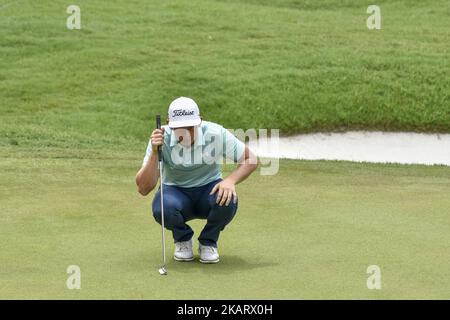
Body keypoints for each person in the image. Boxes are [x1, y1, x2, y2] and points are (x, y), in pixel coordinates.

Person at [136, 97, 258, 263]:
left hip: (208, 191)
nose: (185, 132)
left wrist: (230, 180)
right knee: (163, 208)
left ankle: (209, 241)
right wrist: (155, 153)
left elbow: (250, 159)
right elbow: (143, 188)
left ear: (199, 121)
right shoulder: (160, 139)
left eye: (190, 127)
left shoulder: (216, 133)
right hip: (175, 192)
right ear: (169, 123)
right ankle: (182, 239)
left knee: (227, 200)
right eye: (180, 128)